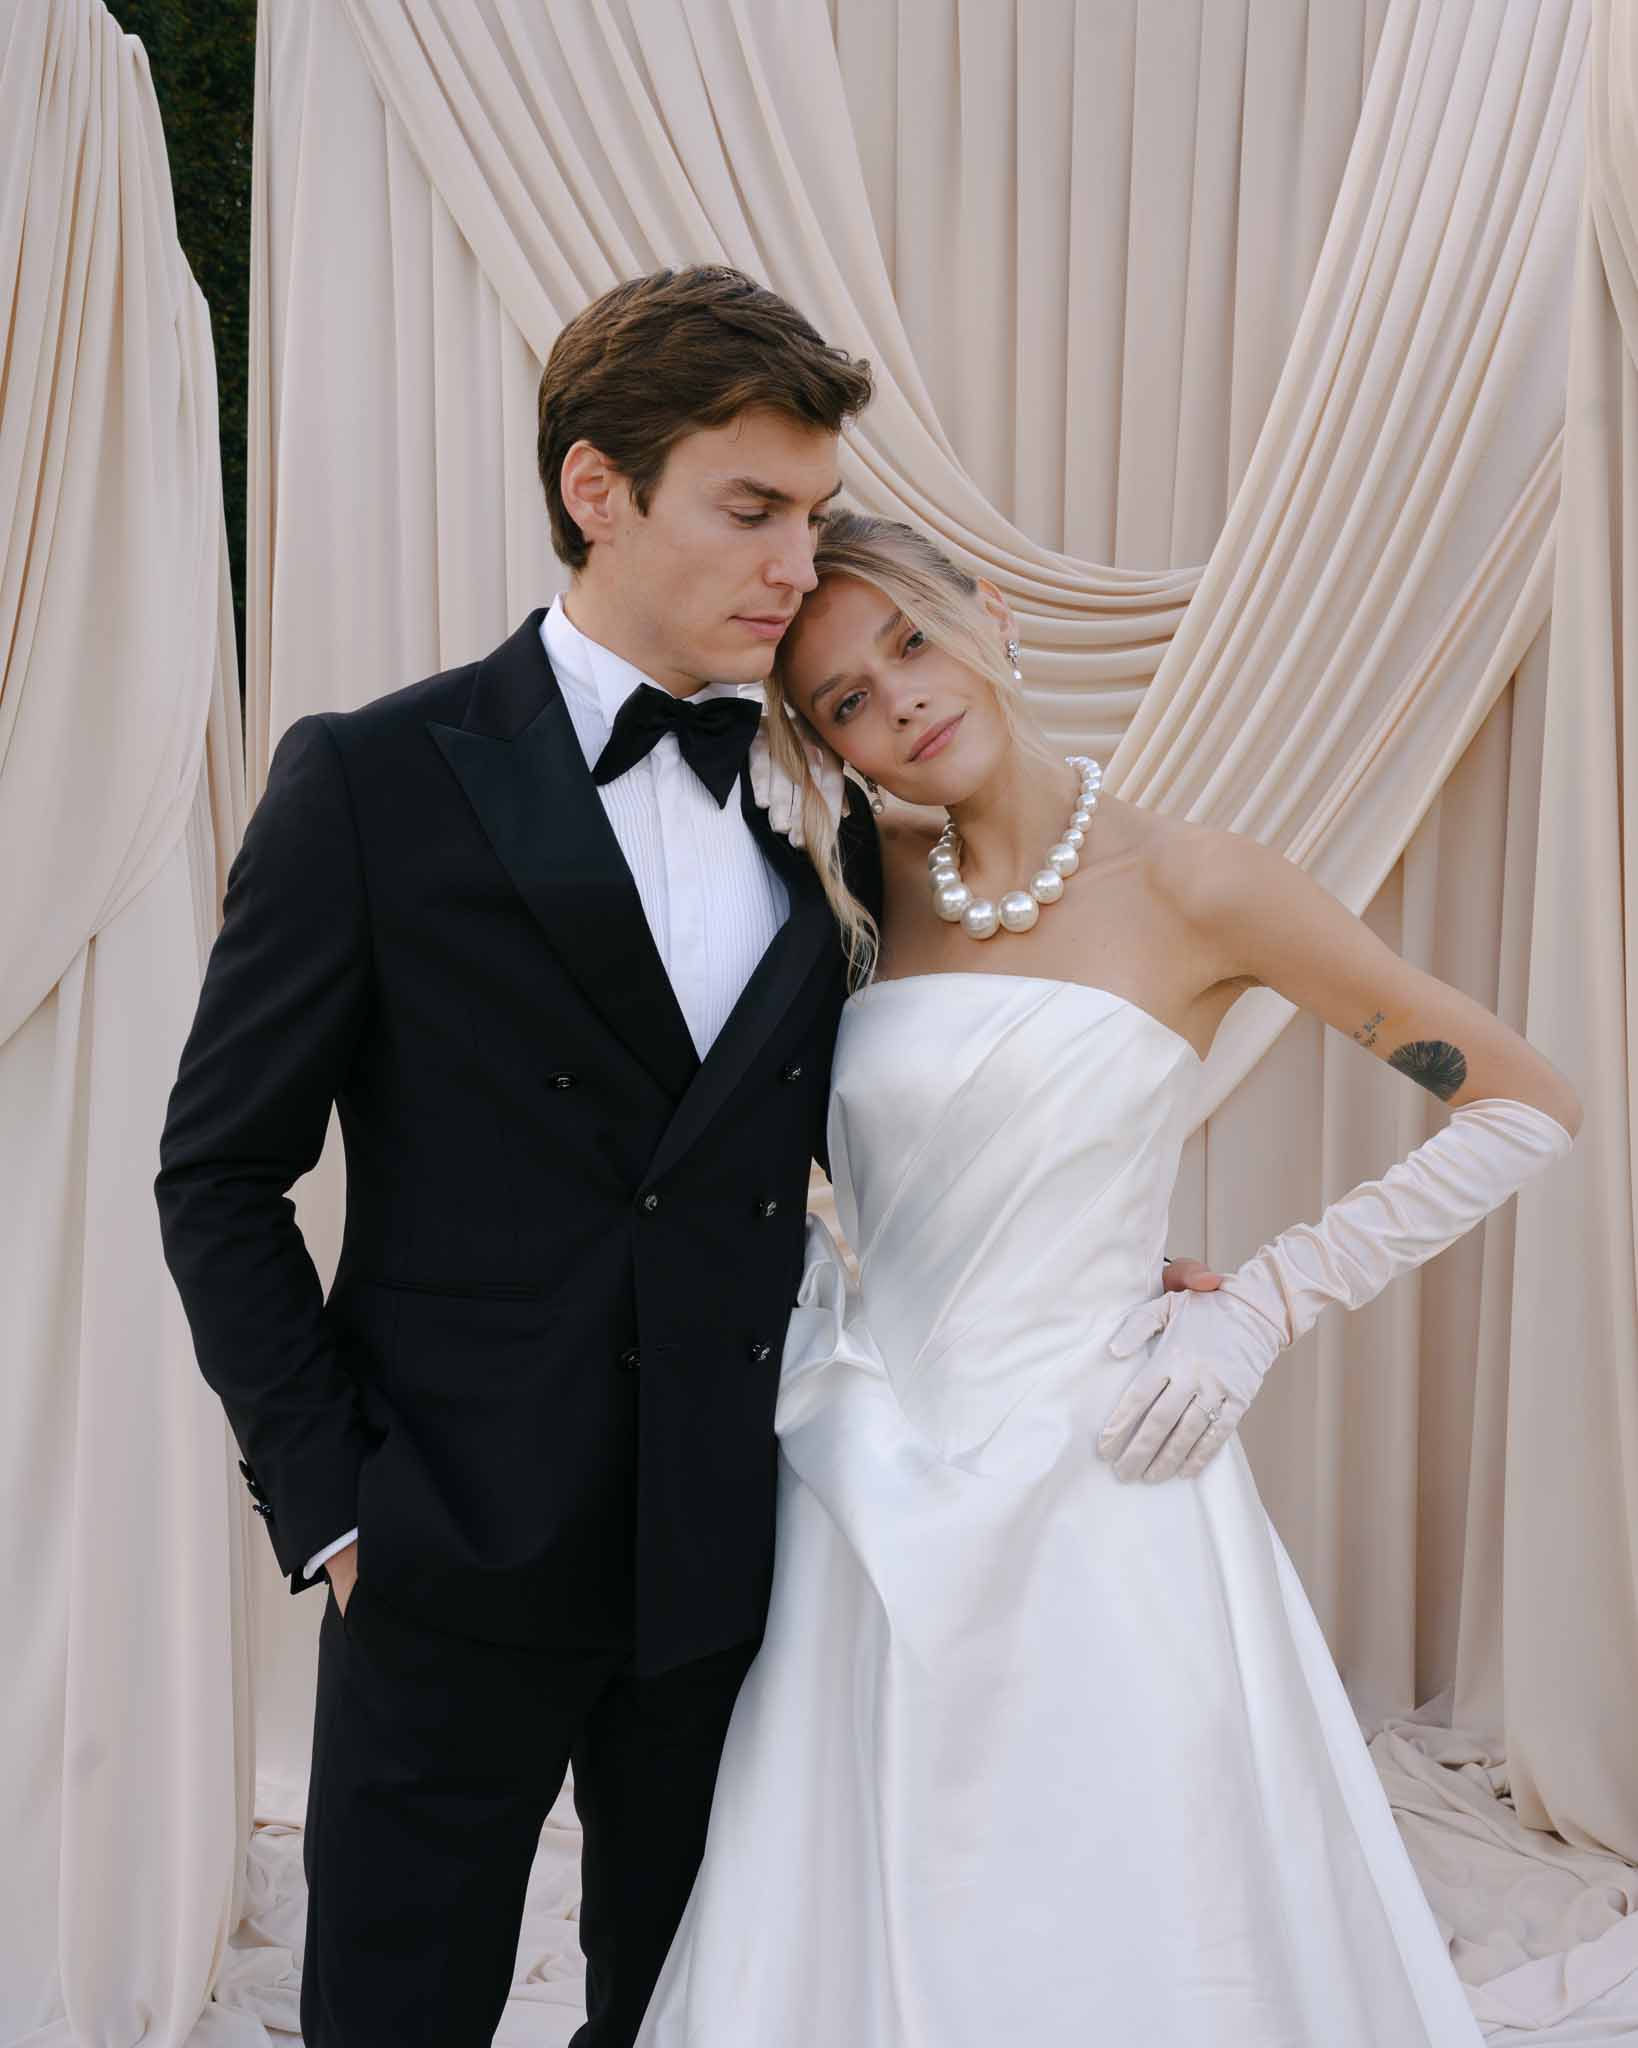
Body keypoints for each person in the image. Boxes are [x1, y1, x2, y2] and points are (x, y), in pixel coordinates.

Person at [636, 509, 1582, 2046]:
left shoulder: (1202, 887)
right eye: (846, 706)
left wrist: (1263, 1305)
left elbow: (1522, 1102)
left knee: (1128, 1878)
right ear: (829, 748)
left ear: (987, 617)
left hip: (1104, 1457)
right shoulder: (847, 889)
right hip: (864, 1450)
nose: (901, 702)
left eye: (911, 643)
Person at [155, 266, 907, 2048]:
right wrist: (335, 1503)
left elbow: (896, 1129)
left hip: (736, 1545)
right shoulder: (373, 777)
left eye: (809, 517)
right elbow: (217, 1174)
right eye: (750, 511)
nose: (797, 566)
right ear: (596, 487)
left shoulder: (827, 800)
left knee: (698, 2016)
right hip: (446, 1541)